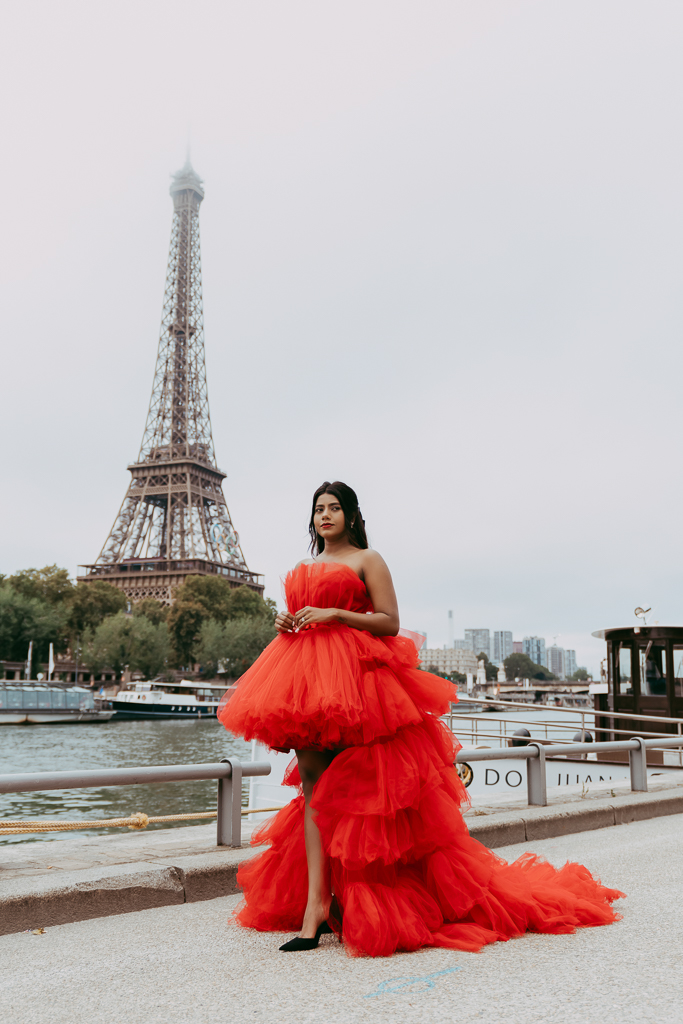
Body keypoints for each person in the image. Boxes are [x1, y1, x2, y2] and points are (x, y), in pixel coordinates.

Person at [218, 481, 623, 957]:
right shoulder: (304, 566)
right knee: (312, 790)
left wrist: (335, 613)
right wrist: (288, 622)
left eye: (334, 508)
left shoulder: (368, 560)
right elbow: (299, 616)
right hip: (305, 678)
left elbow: (389, 621)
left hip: (359, 681)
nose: (325, 516)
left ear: (351, 514)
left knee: (360, 795)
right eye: (318, 509)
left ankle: (357, 898)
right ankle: (315, 907)